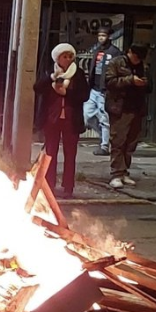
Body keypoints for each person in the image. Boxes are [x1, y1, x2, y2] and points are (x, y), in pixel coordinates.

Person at [34, 43, 89, 197]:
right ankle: (49, 184)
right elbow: (37, 88)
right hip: (52, 119)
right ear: (57, 58)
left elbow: (84, 95)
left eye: (70, 56)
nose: (68, 59)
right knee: (50, 153)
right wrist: (51, 79)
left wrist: (66, 93)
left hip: (71, 120)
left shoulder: (77, 74)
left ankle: (68, 187)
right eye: (64, 56)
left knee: (70, 154)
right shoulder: (49, 72)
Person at [105, 42, 150, 190]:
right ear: (130, 52)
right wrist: (130, 80)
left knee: (131, 143)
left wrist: (144, 83)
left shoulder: (143, 66)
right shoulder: (116, 63)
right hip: (120, 108)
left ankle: (124, 171)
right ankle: (116, 173)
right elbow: (109, 82)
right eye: (136, 57)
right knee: (118, 140)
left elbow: (150, 86)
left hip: (136, 108)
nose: (137, 60)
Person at [83, 28, 121, 156]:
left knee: (105, 118)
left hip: (105, 90)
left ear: (109, 36)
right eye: (99, 35)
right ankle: (104, 137)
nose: (101, 38)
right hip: (94, 88)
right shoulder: (97, 50)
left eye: (103, 35)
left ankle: (104, 145)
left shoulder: (115, 52)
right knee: (86, 115)